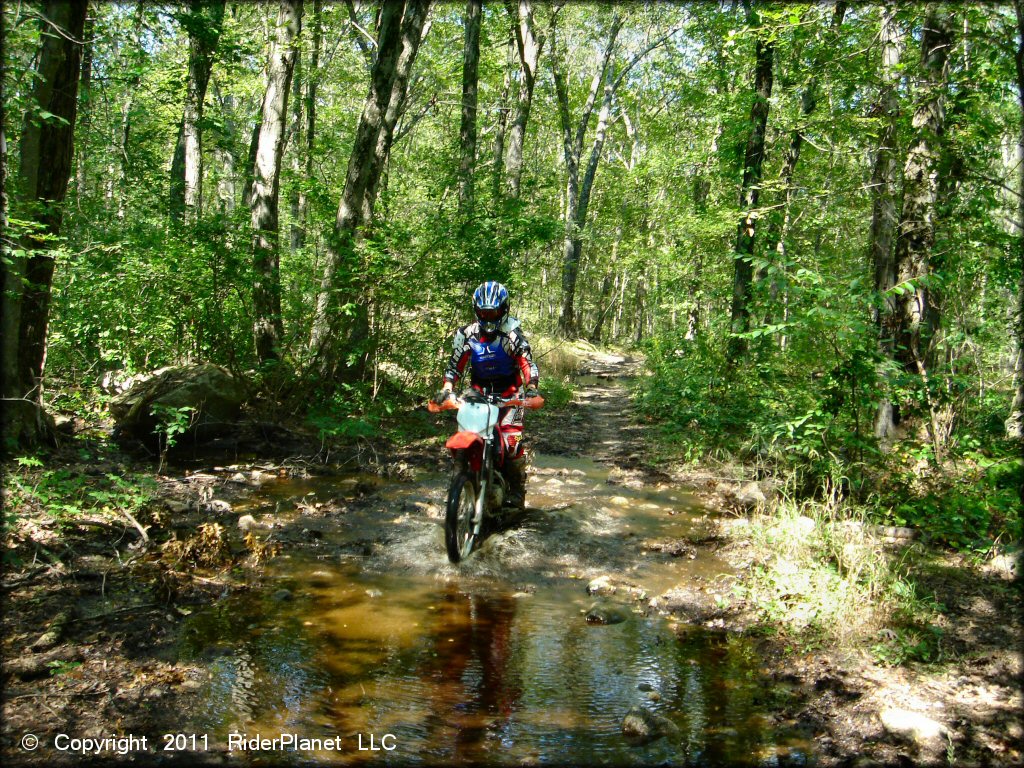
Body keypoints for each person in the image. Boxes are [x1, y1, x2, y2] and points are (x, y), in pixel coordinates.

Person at [434, 281, 540, 510]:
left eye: (493, 312)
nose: (489, 317)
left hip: (511, 394)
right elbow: (454, 366)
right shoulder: (468, 335)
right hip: (478, 393)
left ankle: (517, 492)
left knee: (512, 443)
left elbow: (528, 363)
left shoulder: (512, 334)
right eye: (484, 312)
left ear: (503, 310)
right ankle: (460, 484)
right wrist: (447, 388)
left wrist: (531, 388)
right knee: (466, 432)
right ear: (476, 311)